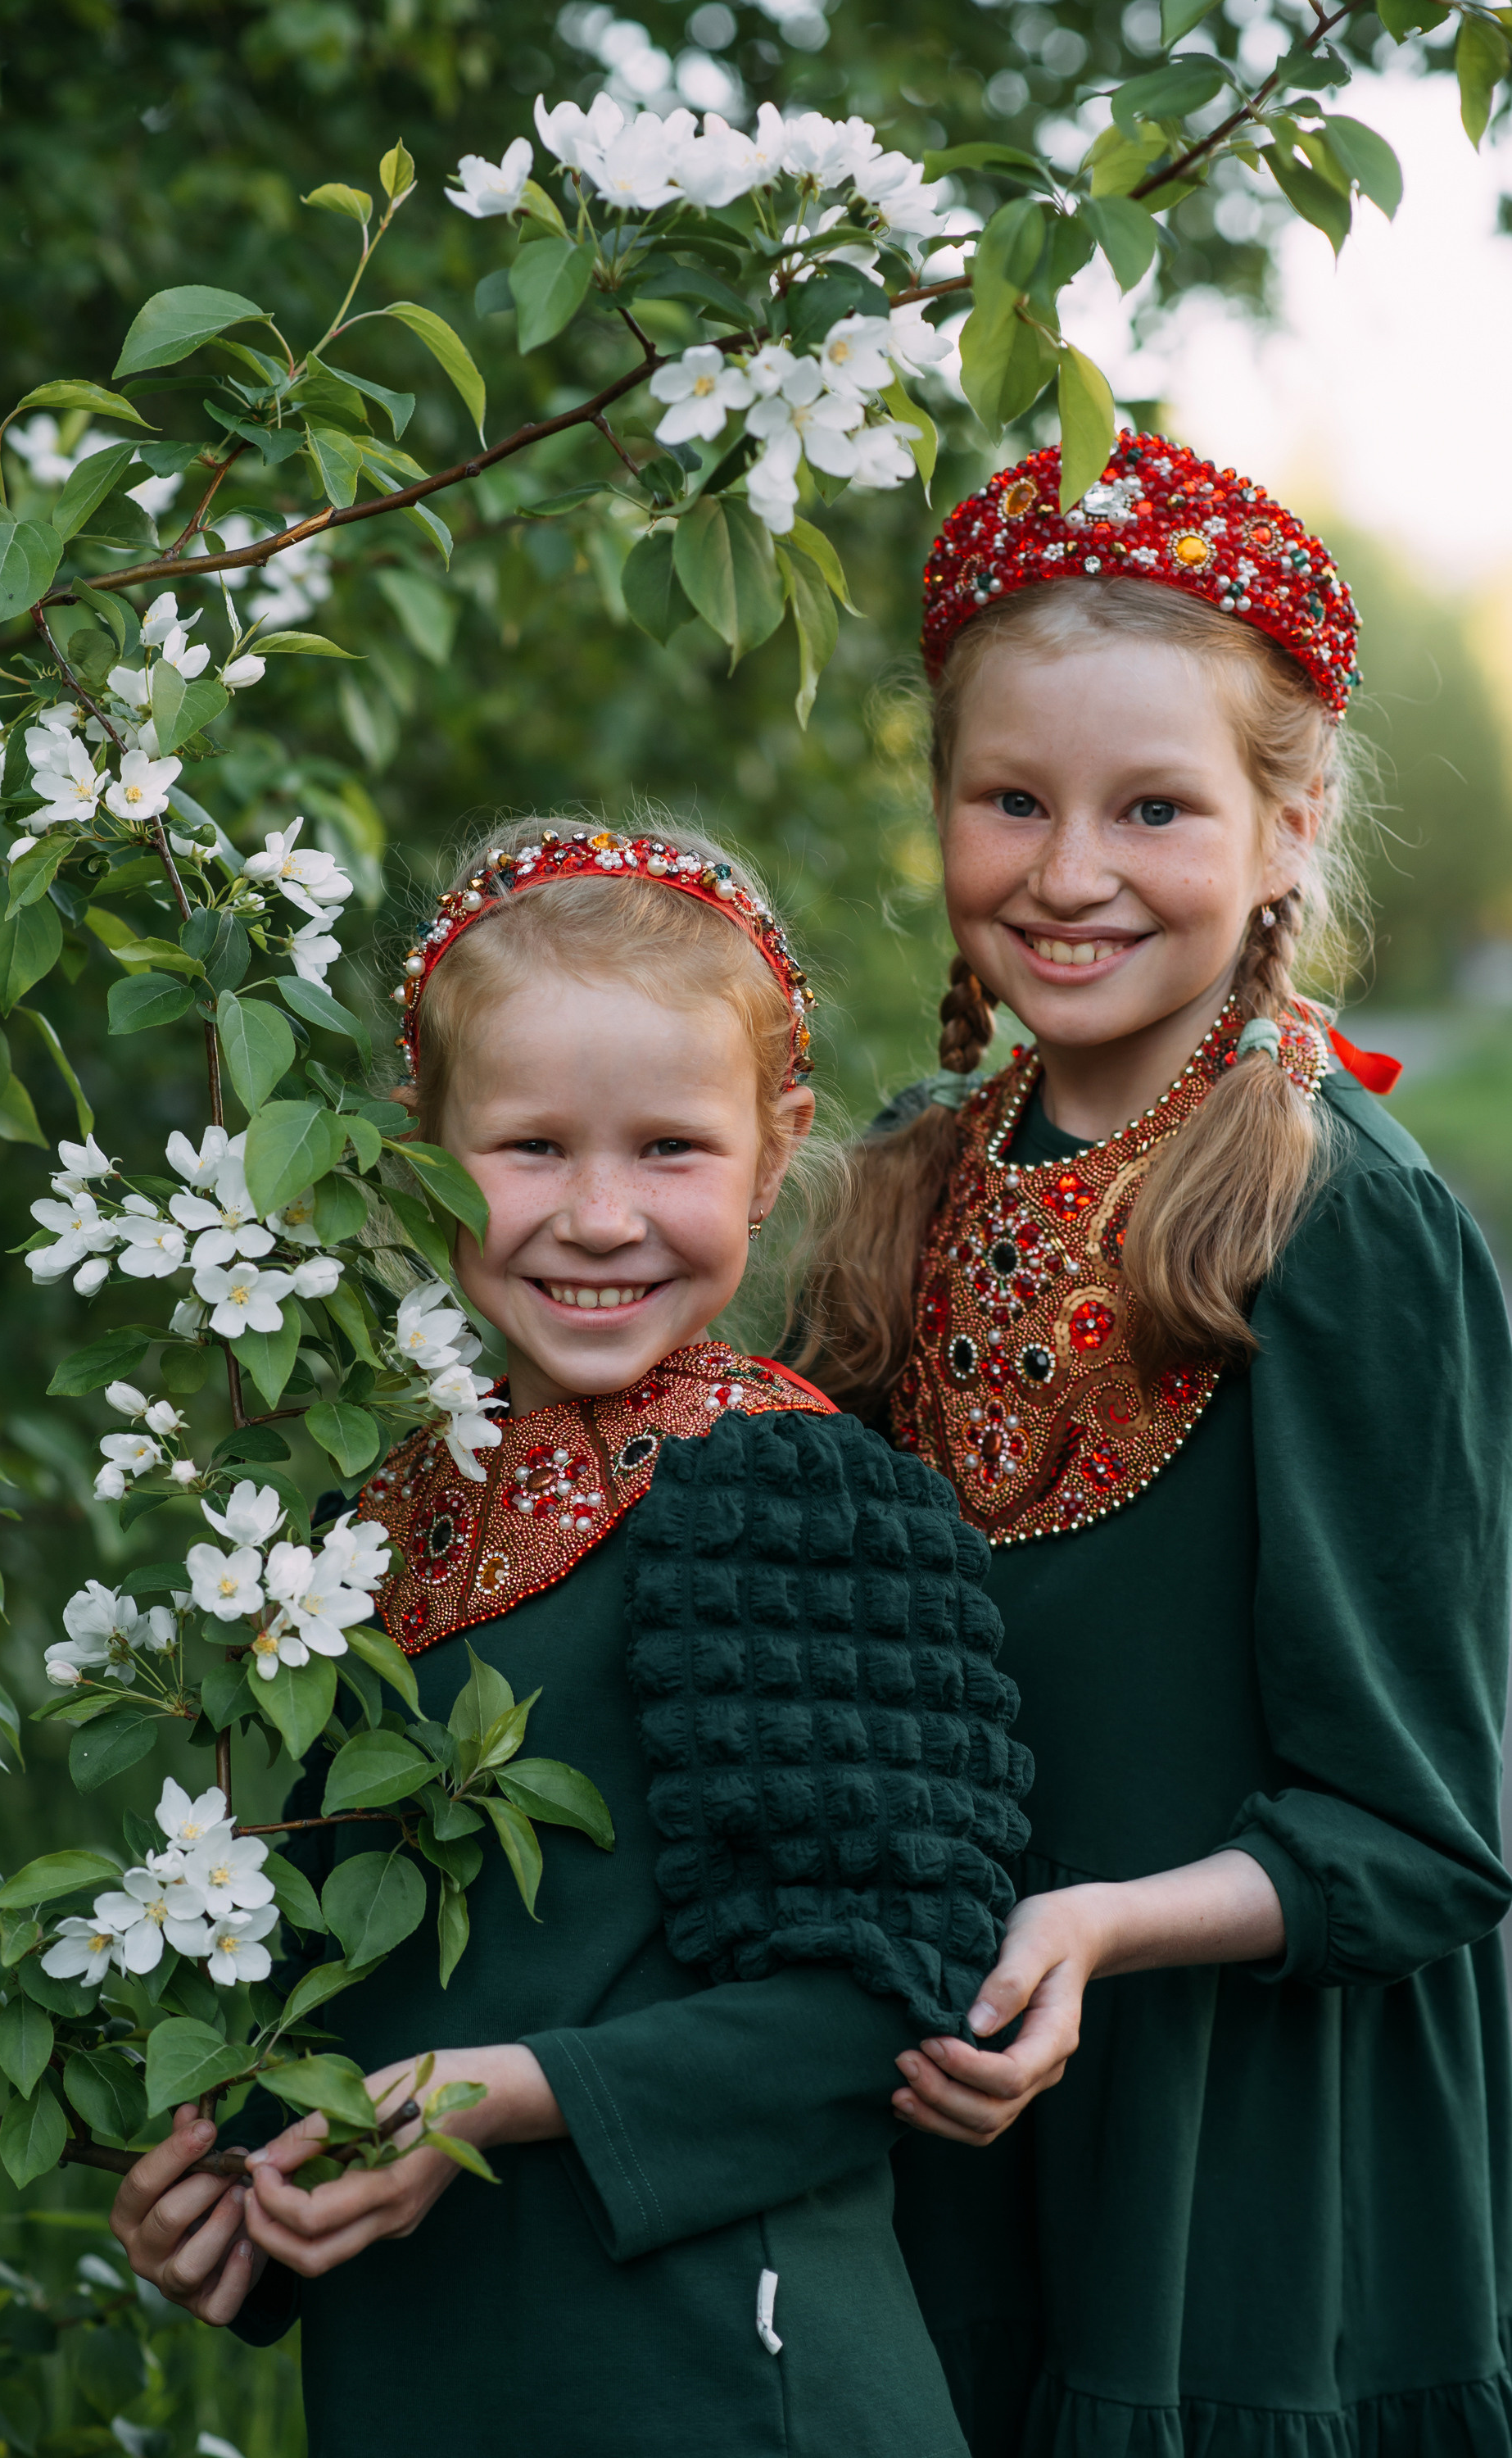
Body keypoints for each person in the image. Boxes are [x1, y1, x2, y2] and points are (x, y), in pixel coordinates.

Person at [108, 821, 1032, 2458]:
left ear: (773, 1149)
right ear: (420, 1151)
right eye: (531, 1147)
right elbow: (357, 1984)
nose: (600, 1216)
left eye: (670, 1149)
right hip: (437, 2382)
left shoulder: (785, 1491)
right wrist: (243, 2210)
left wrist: (509, 2094)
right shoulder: (367, 1538)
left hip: (718, 2380)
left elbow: (891, 1990)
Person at [799, 435, 1512, 2456]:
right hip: (955, 2095)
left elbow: (1427, 1830)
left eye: (1156, 808)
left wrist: (1102, 1924)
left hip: (1249, 2144)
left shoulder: (1345, 1228)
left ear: (1287, 829)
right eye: (1009, 800)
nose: (1071, 869)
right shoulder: (903, 1181)